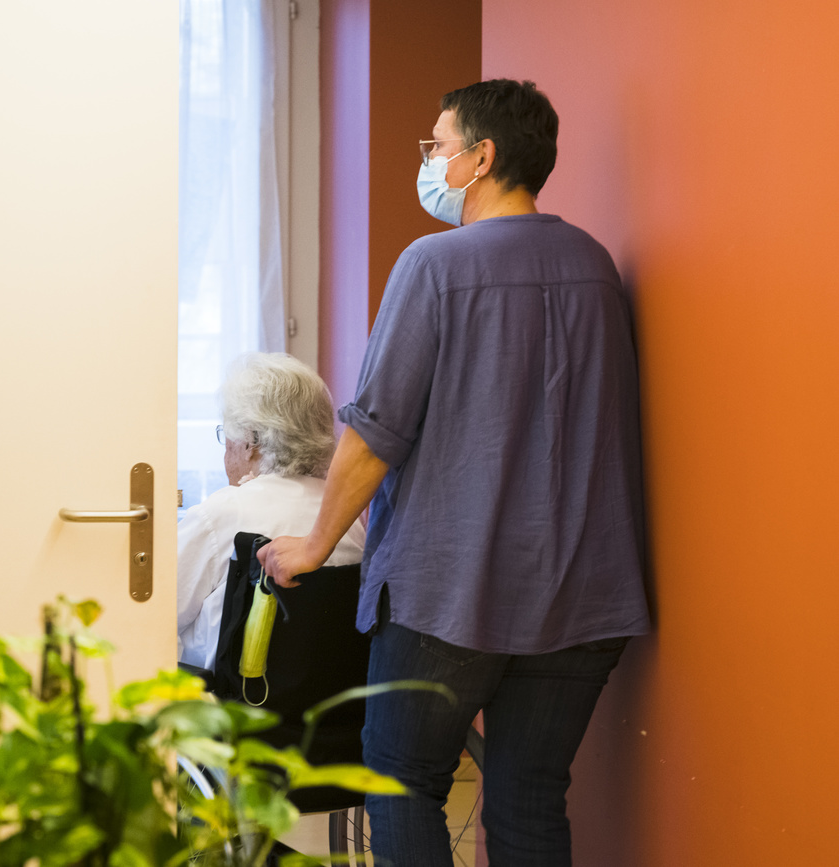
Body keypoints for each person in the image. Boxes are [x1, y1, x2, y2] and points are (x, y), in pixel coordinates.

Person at [257, 79, 650, 866]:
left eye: (437, 147)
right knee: (531, 796)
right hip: (582, 596)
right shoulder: (595, 265)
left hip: (453, 593)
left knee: (401, 779)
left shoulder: (434, 265)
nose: (432, 162)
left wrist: (313, 543)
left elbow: (376, 432)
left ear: (483, 157)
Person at [177, 352, 366, 672]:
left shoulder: (219, 516)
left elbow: (151, 617)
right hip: (329, 712)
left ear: (251, 439)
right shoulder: (346, 520)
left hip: (232, 710)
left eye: (226, 435)